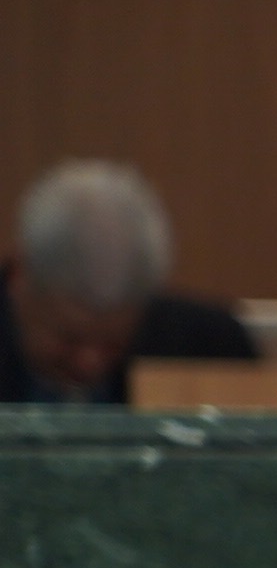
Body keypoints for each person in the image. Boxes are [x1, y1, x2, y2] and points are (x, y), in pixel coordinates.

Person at [0, 159, 253, 403]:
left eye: (112, 344)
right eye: (69, 339)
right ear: (19, 278)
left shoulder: (208, 351)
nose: (89, 362)